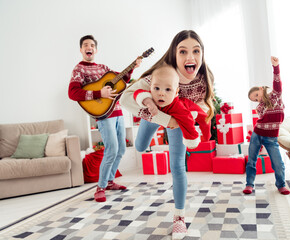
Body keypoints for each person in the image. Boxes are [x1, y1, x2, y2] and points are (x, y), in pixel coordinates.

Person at [120, 30, 214, 239]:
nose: (190, 57)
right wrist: (163, 119)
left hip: (178, 121)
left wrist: (192, 118)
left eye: (196, 51)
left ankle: (179, 218)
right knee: (140, 146)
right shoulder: (163, 73)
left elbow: (201, 105)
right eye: (183, 52)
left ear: (202, 54)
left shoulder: (204, 78)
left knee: (178, 166)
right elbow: (124, 99)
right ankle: (151, 130)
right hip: (155, 114)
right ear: (174, 54)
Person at [68, 35, 142, 202]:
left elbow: (121, 80)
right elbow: (73, 93)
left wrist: (133, 67)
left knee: (121, 149)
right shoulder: (79, 69)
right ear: (81, 50)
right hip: (104, 115)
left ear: (96, 50)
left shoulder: (103, 68)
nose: (89, 47)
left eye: (92, 45)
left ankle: (109, 182)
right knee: (112, 149)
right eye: (86, 45)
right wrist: (99, 93)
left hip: (117, 111)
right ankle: (100, 187)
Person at [133, 64, 211, 149]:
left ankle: (207, 136)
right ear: (150, 86)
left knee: (204, 119)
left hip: (178, 116)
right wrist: (148, 102)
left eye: (168, 89)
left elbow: (188, 122)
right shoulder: (150, 95)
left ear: (176, 91)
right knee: (140, 146)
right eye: (157, 88)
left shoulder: (178, 107)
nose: (161, 93)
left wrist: (192, 138)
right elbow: (138, 93)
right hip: (153, 116)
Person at [243, 56, 290, 195]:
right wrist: (261, 103)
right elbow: (262, 119)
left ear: (262, 88)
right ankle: (249, 184)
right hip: (257, 135)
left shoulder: (276, 95)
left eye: (257, 95)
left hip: (271, 138)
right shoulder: (260, 107)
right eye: (255, 99)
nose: (258, 99)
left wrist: (276, 66)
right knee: (251, 160)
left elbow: (277, 81)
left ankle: (281, 184)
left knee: (278, 164)